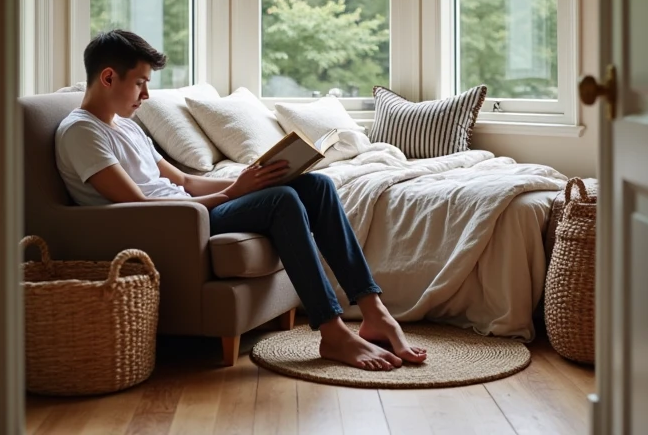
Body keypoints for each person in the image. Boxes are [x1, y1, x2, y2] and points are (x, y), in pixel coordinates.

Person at [55, 29, 426, 371]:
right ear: (108, 78)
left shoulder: (126, 127)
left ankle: (375, 312)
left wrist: (248, 179)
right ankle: (333, 332)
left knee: (317, 186)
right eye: (140, 83)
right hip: (172, 227)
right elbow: (138, 207)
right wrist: (233, 193)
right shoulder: (82, 132)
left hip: (189, 212)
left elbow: (184, 180)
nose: (146, 95)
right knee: (282, 201)